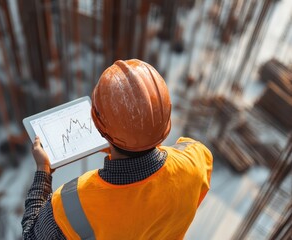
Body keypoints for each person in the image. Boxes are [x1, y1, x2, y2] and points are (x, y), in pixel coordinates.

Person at [22, 59, 213, 239]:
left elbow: (31, 235)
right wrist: (133, 142)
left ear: (98, 126)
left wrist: (43, 171)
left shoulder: (71, 204)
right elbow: (181, 155)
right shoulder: (195, 162)